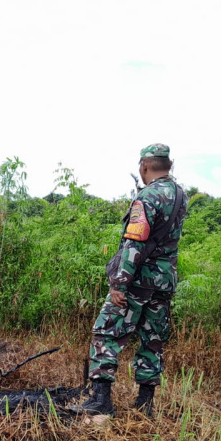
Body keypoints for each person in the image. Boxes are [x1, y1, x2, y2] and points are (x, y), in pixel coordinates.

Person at [70, 143, 187, 417]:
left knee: (105, 332)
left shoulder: (147, 197)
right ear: (168, 165)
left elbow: (134, 242)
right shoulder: (180, 195)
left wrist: (119, 283)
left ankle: (100, 401)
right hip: (164, 281)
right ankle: (145, 404)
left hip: (138, 280)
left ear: (145, 166)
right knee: (152, 338)